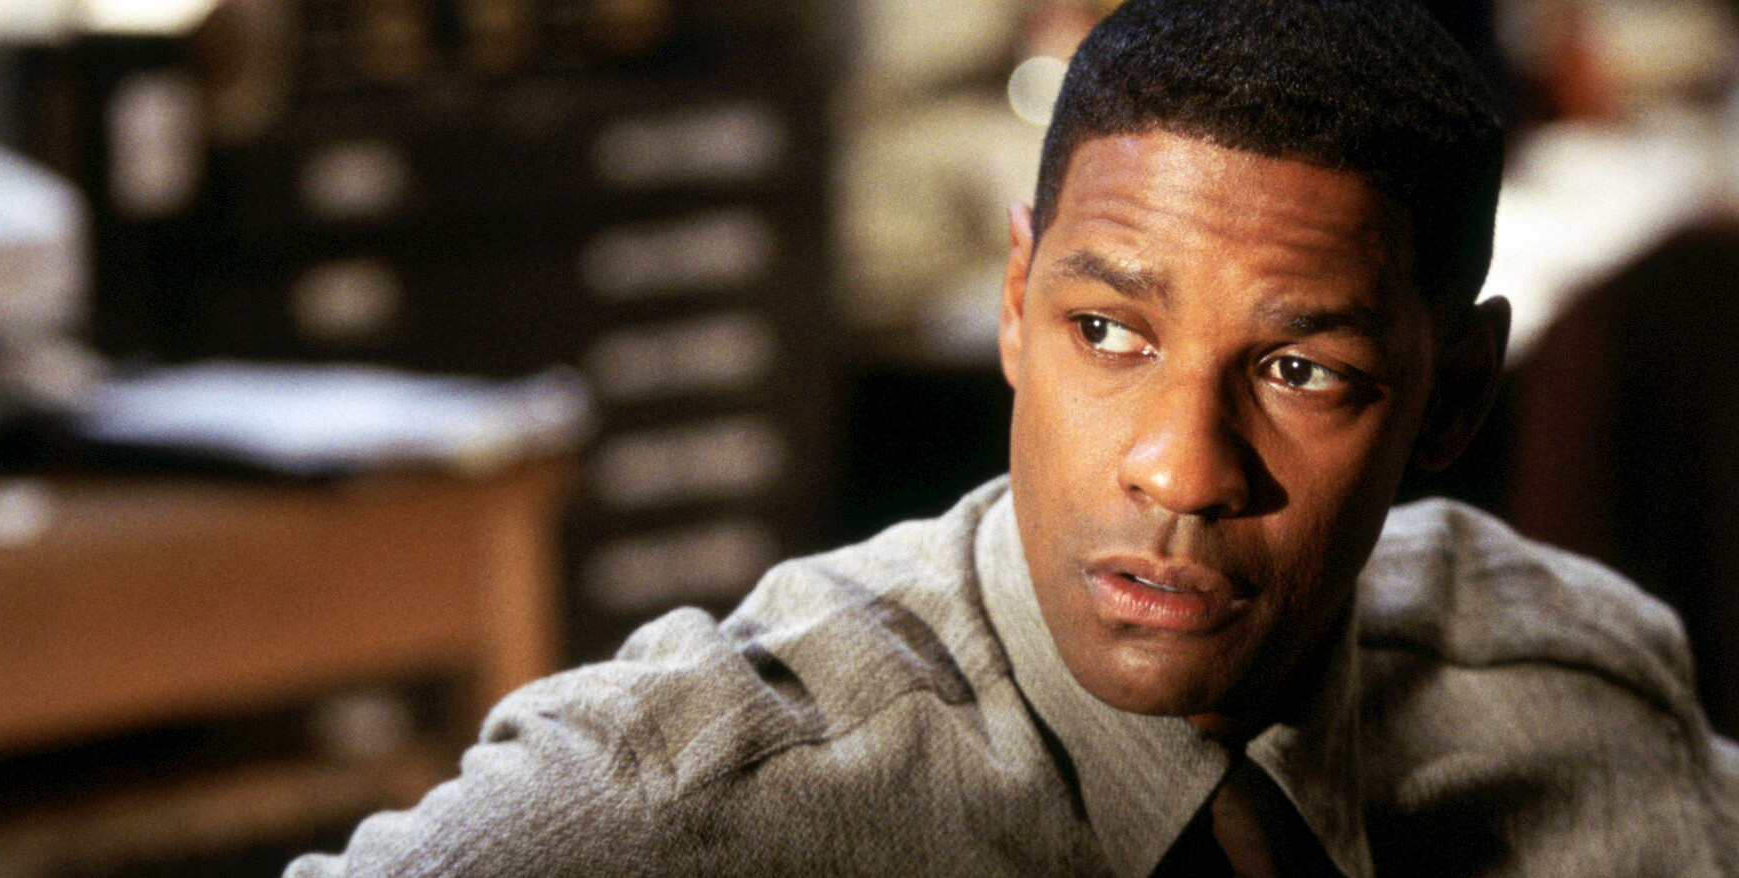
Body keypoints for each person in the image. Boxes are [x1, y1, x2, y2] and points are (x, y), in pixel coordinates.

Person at [288, 1, 1739, 875]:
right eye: (1107, 331)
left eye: (1301, 370)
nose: (1181, 468)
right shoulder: (698, 797)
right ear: (1014, 301)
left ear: (1457, 394)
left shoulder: (1571, 703)